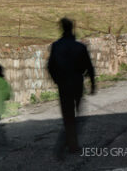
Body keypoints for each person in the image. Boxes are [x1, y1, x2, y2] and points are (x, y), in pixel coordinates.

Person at [47, 18, 96, 157]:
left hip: (63, 85)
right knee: (77, 113)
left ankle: (70, 141)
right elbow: (89, 67)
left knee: (68, 114)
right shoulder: (80, 47)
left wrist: (57, 80)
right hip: (77, 84)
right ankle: (71, 141)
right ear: (72, 28)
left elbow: (50, 67)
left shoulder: (56, 46)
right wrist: (92, 84)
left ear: (62, 28)